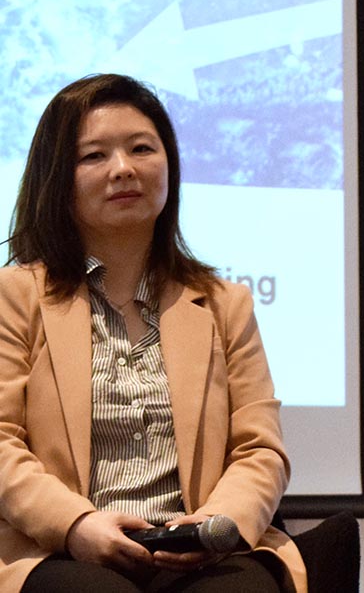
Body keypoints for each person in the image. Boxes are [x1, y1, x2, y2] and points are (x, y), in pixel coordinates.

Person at [0, 74, 306, 592]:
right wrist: (77, 526)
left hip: (200, 546)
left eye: (141, 148)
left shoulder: (225, 303)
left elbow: (260, 449)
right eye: (93, 156)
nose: (124, 169)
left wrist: (216, 525)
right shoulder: (16, 295)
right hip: (58, 549)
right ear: (58, 177)